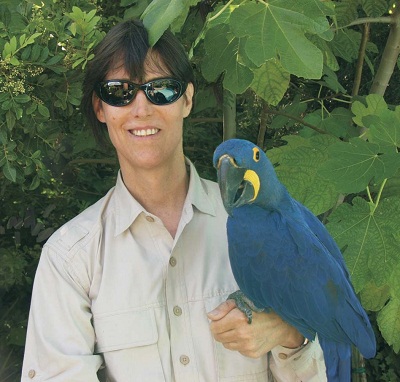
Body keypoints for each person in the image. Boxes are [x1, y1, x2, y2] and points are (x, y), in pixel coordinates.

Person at [21, 19, 327, 381]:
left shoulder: (268, 230)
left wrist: (289, 335)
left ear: (187, 99)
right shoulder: (70, 259)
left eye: (161, 89)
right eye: (119, 91)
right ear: (101, 108)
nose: (141, 108)